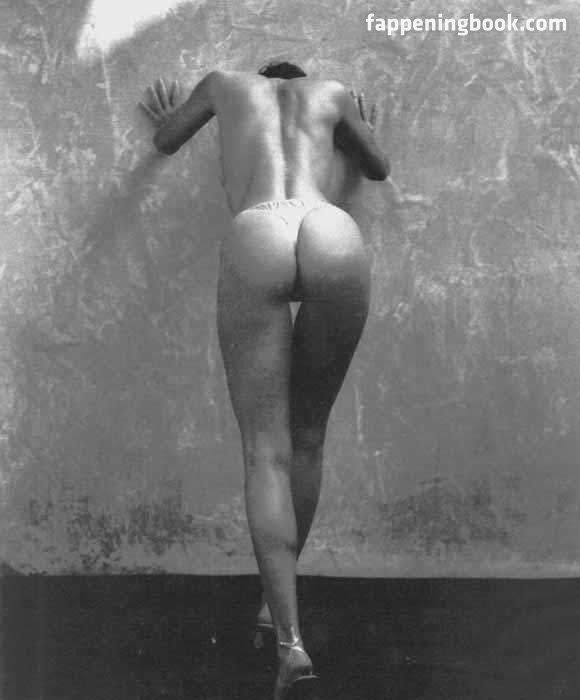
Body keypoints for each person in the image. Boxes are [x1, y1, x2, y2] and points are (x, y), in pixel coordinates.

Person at [139, 59, 389, 700]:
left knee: (264, 452)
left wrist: (168, 118)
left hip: (259, 229)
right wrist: (364, 130)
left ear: (263, 77)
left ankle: (289, 642)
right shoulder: (333, 92)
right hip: (329, 227)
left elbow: (166, 140)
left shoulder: (223, 84)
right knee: (308, 438)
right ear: (301, 81)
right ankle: (271, 605)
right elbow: (378, 168)